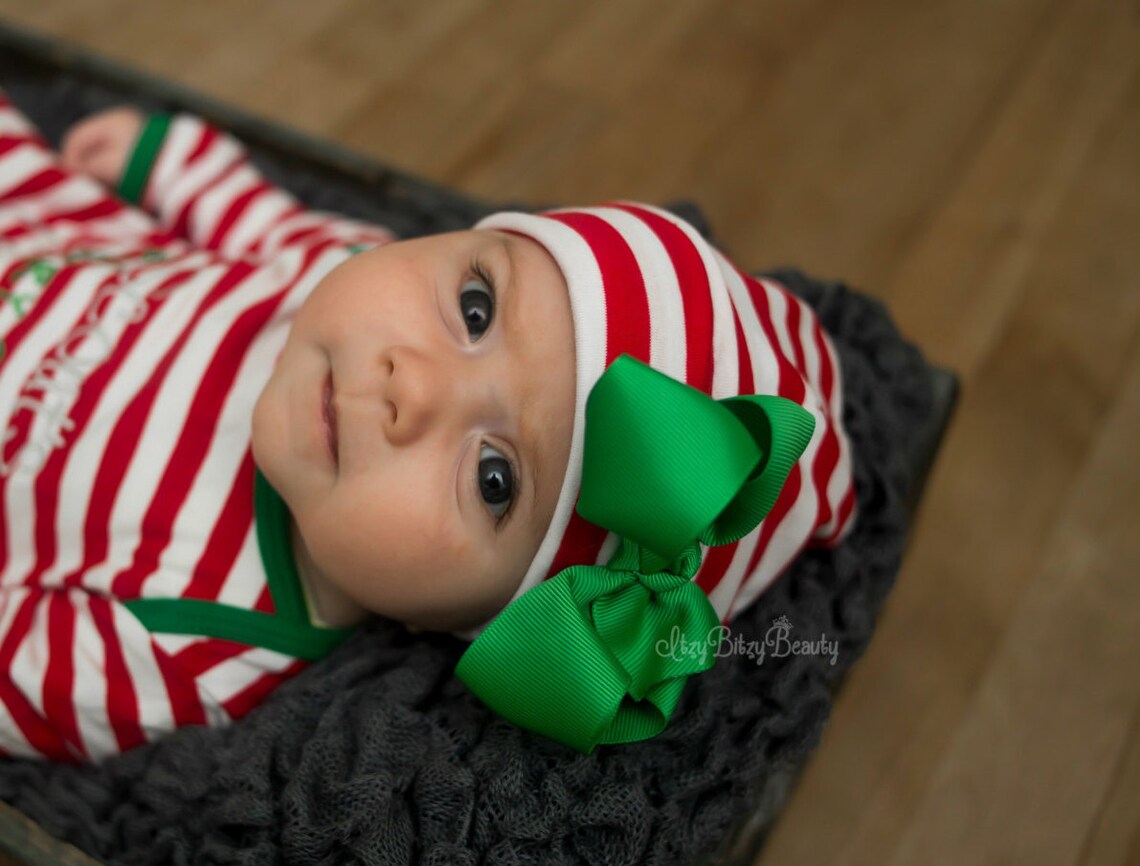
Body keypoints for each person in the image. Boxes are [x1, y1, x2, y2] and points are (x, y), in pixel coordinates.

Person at [0, 91, 855, 764]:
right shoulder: (332, 278)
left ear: (467, 625)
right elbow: (263, 218)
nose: (417, 385)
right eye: (475, 306)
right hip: (46, 227)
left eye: (495, 478)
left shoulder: (192, 648)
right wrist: (172, 162)